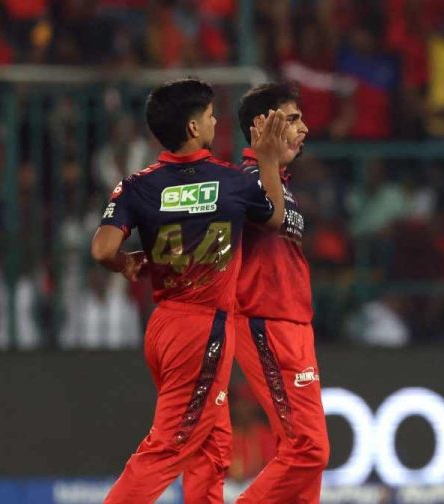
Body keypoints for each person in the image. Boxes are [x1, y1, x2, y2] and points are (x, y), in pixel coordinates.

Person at [91, 78, 288, 504]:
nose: (217, 119)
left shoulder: (137, 185)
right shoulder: (231, 182)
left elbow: (103, 248)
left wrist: (127, 263)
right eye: (211, 114)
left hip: (163, 328)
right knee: (169, 446)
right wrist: (269, 161)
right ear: (195, 127)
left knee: (212, 447)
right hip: (203, 332)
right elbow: (275, 218)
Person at [233, 83, 329, 503]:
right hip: (265, 324)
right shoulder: (243, 182)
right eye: (292, 119)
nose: (304, 128)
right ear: (262, 125)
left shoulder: (278, 182)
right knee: (310, 449)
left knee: (301, 451)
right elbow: (267, 218)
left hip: (294, 325)